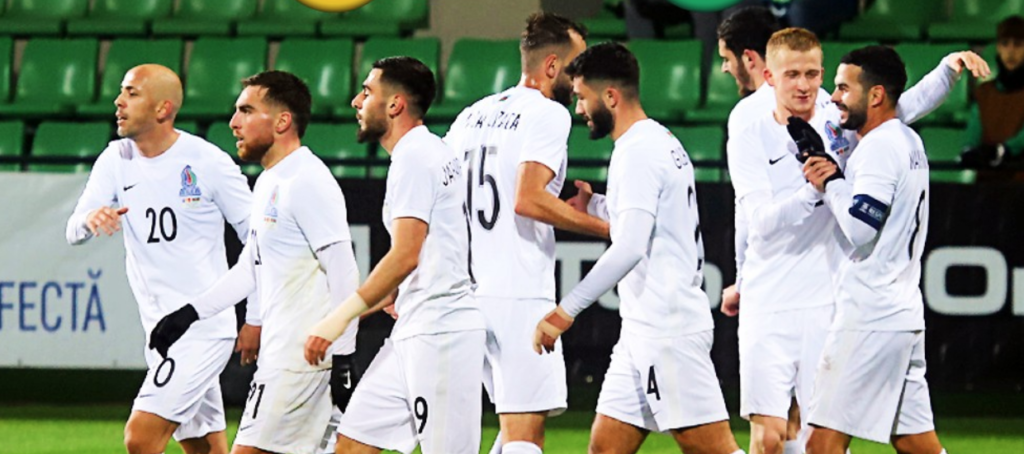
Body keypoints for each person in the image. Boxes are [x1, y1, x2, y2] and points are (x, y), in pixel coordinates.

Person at [726, 27, 988, 454]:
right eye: (793, 74)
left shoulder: (850, 126)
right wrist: (814, 192)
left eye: (815, 75)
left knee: (821, 441)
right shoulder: (748, 125)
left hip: (842, 304)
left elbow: (895, 110)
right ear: (769, 77)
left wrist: (947, 71)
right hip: (780, 299)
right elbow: (756, 222)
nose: (809, 86)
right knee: (781, 437)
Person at [535, 42, 743, 454]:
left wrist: (565, 311)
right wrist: (596, 205)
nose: (579, 109)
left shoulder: (637, 152)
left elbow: (629, 245)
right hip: (641, 330)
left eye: (582, 97)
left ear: (610, 96)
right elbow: (649, 217)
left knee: (713, 450)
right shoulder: (657, 139)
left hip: (667, 330)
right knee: (605, 449)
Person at [148, 70, 361, 454]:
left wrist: (344, 356)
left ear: (282, 121)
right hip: (286, 359)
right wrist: (190, 314)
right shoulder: (268, 182)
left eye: (246, 111)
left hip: (300, 363)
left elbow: (344, 269)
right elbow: (251, 268)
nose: (233, 122)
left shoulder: (307, 180)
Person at [65, 64, 256, 454]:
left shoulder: (207, 161)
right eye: (121, 91)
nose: (118, 101)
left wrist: (256, 315)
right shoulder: (116, 158)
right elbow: (73, 230)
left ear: (163, 109)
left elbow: (260, 242)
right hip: (160, 332)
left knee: (140, 437)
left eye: (132, 93)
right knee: (204, 449)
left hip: (201, 330)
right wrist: (90, 218)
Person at [442, 12, 608, 454]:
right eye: (575, 67)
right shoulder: (548, 114)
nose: (579, 80)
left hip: (466, 291)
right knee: (526, 434)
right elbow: (529, 199)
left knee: (509, 428)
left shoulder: (471, 115)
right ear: (552, 66)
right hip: (519, 291)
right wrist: (608, 228)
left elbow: (437, 199)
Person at [304, 56, 485, 454]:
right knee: (350, 447)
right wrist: (338, 317)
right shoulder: (425, 151)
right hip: (413, 331)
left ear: (395, 104)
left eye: (367, 91)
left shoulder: (414, 158)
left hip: (440, 335)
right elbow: (406, 272)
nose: (356, 101)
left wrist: (337, 320)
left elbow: (405, 257)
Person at [802, 45, 946, 454]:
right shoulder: (908, 140)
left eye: (844, 88)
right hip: (901, 312)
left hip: (869, 316)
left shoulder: (880, 147)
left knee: (821, 446)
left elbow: (860, 229)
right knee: (917, 444)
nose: (834, 97)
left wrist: (830, 182)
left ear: (877, 95)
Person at [960, 15, 1024, 179]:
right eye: (1005, 44)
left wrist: (1003, 150)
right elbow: (974, 128)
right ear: (998, 48)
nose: (1011, 51)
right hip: (987, 180)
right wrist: (969, 150)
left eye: (1018, 44)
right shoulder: (984, 92)